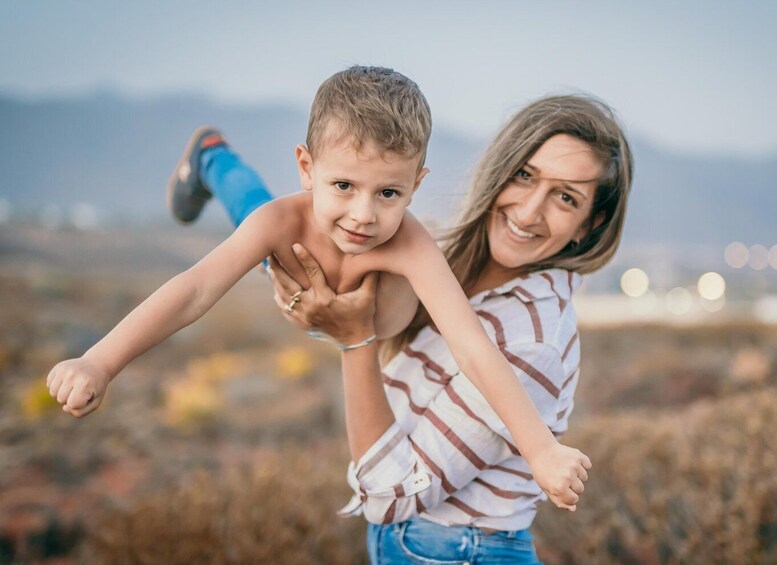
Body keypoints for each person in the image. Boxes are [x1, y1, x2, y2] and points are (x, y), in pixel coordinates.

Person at [45, 66, 590, 511]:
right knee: (255, 213)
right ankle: (211, 157)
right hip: (296, 262)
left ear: (416, 185)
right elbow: (193, 290)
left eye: (389, 193)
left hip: (362, 318)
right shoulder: (287, 221)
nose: (363, 215)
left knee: (259, 215)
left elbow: (473, 346)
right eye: (344, 185)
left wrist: (541, 449)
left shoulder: (409, 244)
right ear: (306, 167)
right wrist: (100, 362)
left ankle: (213, 156)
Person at [207, 94, 633, 563]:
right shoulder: (446, 253)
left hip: (458, 552)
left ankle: (213, 162)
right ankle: (213, 160)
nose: (530, 212)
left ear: (587, 227)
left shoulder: (532, 341)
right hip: (431, 549)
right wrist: (306, 294)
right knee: (281, 237)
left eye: (566, 197)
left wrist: (354, 341)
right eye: (525, 175)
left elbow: (393, 498)